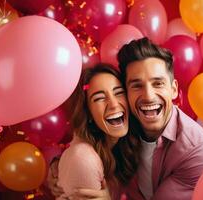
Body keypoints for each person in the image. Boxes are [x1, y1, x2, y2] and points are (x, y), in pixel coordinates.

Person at [48, 38, 203, 200]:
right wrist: (59, 166)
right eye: (136, 85)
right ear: (127, 92)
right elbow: (87, 144)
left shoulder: (197, 150)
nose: (149, 96)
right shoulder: (125, 120)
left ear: (173, 90)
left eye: (158, 84)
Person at [48, 63, 141, 200]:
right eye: (99, 98)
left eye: (119, 93)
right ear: (88, 113)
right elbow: (79, 157)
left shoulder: (131, 139)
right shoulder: (83, 158)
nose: (114, 104)